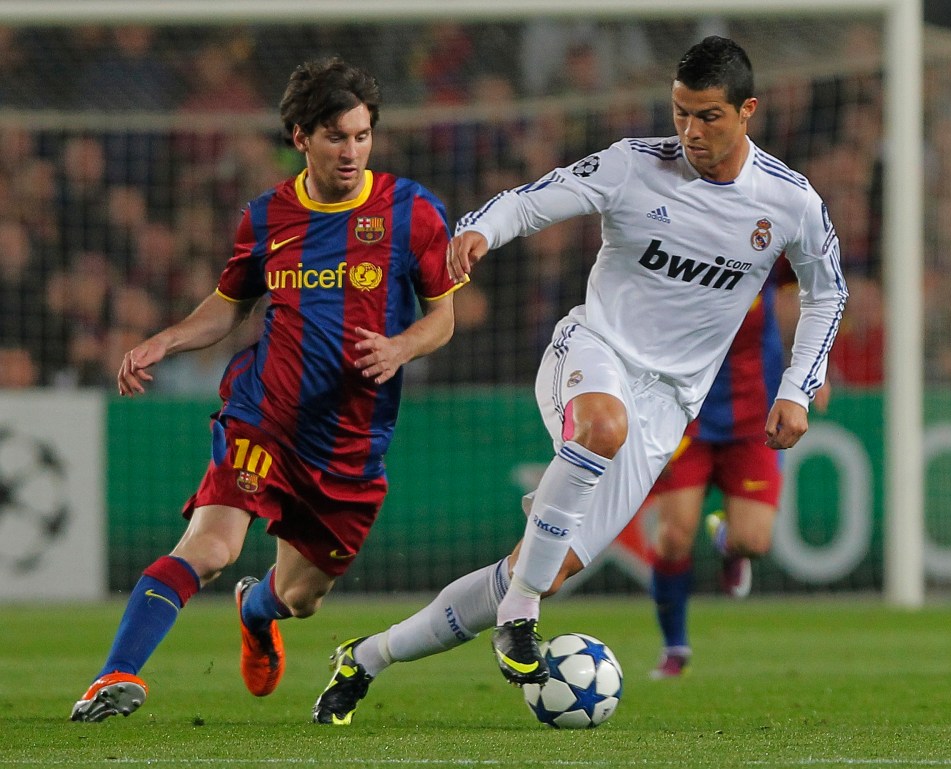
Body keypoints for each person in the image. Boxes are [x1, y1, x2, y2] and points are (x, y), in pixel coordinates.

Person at [312, 35, 846, 726]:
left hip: (668, 407)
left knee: (537, 565)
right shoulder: (634, 165)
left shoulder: (790, 201)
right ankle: (521, 617)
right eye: (681, 112)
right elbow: (541, 197)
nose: (690, 131)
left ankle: (368, 656)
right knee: (600, 428)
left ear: (748, 111)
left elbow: (826, 293)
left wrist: (797, 386)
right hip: (591, 349)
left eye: (709, 116)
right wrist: (480, 230)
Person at [70, 56, 460, 722]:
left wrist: (401, 346)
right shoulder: (268, 216)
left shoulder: (410, 211)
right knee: (210, 546)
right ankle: (113, 675)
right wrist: (164, 339)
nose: (352, 150)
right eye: (337, 136)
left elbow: (442, 318)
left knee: (303, 597)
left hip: (350, 439)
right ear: (300, 136)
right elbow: (228, 306)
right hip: (266, 413)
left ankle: (256, 610)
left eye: (362, 135)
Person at [647, 259, 832, 679]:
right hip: (685, 416)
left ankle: (728, 539)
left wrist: (810, 368)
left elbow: (816, 288)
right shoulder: (675, 247)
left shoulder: (763, 245)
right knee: (674, 535)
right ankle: (675, 646)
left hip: (754, 417)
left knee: (754, 540)